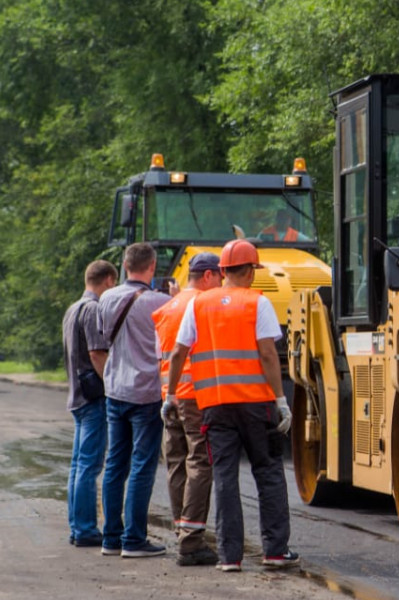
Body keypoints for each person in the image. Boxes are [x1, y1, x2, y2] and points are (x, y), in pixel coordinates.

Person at [165, 238, 299, 573]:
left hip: (215, 406)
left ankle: (229, 557)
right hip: (257, 406)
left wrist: (170, 395)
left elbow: (179, 352)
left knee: (224, 477)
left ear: (222, 270)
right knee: (268, 473)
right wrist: (281, 400)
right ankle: (275, 551)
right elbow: (268, 353)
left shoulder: (199, 304)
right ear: (251, 270)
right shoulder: (257, 302)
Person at [95, 242, 172, 558]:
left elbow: (103, 340)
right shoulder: (161, 303)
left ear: (125, 266)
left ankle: (111, 538)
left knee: (114, 463)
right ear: (152, 267)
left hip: (115, 390)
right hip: (147, 392)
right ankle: (134, 539)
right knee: (142, 465)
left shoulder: (106, 299)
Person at [152, 253, 223, 566]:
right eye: (219, 276)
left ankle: (183, 530)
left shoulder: (167, 307)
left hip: (170, 395)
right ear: (207, 276)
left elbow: (163, 356)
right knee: (199, 462)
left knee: (176, 462)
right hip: (196, 397)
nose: (221, 283)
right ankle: (191, 542)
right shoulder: (203, 306)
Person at [62, 259, 118, 548]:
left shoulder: (73, 309)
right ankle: (85, 529)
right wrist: (113, 385)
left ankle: (77, 525)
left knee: (78, 465)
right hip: (93, 396)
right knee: (89, 465)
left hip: (76, 394)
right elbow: (97, 353)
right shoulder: (94, 309)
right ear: (108, 279)